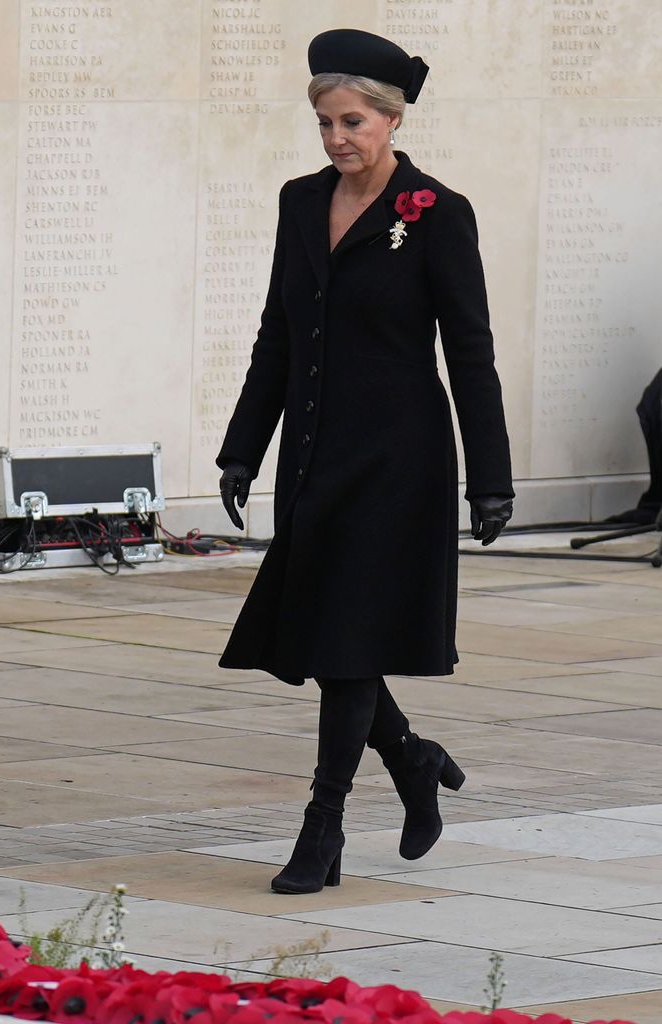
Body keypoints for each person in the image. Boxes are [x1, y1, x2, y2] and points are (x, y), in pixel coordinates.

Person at [217, 28, 514, 894]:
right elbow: (278, 332)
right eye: (323, 123)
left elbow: (471, 351)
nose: (336, 139)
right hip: (313, 454)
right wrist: (243, 448)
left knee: (344, 646)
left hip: (398, 462)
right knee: (321, 638)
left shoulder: (436, 212)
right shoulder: (300, 202)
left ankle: (324, 829)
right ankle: (414, 761)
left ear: (390, 119)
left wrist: (490, 478)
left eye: (351, 121)